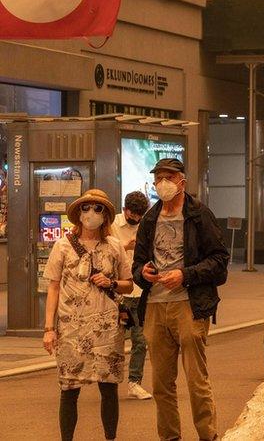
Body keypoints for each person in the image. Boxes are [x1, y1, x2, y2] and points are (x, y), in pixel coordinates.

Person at [132, 158, 229, 441]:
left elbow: (220, 261)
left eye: (169, 177)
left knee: (196, 381)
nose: (163, 182)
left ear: (182, 182)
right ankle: (170, 437)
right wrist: (143, 273)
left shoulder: (199, 215)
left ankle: (207, 435)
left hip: (189, 304)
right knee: (161, 385)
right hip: (154, 307)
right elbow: (137, 266)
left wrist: (184, 275)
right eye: (159, 177)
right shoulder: (150, 219)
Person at [42, 189, 134, 441]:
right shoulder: (62, 246)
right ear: (78, 214)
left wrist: (111, 282)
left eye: (98, 209)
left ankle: (110, 438)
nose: (91, 213)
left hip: (107, 327)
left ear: (105, 216)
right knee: (69, 390)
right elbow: (53, 286)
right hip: (72, 328)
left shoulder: (114, 246)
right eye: (86, 208)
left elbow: (128, 283)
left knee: (109, 388)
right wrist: (49, 328)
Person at [110, 190, 152, 400]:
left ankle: (135, 382)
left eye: (139, 216)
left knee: (141, 340)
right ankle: (109, 381)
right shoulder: (112, 225)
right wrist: (125, 247)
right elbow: (105, 255)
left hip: (141, 291)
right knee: (114, 340)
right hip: (119, 293)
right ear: (125, 209)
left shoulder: (146, 226)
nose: (135, 219)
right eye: (132, 214)